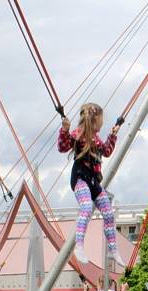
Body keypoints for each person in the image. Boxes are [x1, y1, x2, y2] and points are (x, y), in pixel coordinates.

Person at [57, 102, 124, 267]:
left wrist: (113, 135)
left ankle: (113, 249)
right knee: (86, 207)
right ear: (94, 120)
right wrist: (64, 130)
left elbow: (106, 151)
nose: (102, 123)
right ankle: (79, 245)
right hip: (80, 178)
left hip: (94, 181)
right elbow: (62, 147)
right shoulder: (78, 134)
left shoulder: (96, 139)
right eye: (101, 120)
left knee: (108, 213)